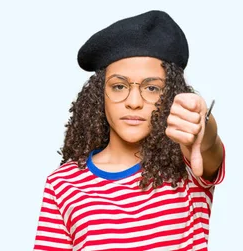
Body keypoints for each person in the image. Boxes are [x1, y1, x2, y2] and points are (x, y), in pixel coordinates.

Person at [33, 10, 226, 251]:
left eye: (152, 88)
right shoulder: (63, 184)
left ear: (170, 97)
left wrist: (202, 126)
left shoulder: (186, 168)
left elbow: (207, 146)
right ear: (98, 94)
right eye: (119, 86)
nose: (134, 101)